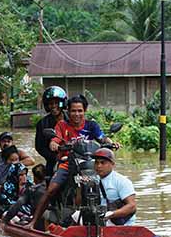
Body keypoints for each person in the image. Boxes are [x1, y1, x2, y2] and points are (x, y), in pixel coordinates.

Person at [27, 94, 117, 228]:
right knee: (51, 189)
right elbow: (55, 139)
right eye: (73, 111)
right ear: (68, 111)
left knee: (111, 186)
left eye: (80, 111)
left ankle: (114, 219)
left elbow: (102, 138)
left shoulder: (91, 125)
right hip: (68, 163)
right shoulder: (62, 125)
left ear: (85, 111)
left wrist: (111, 143)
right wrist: (54, 144)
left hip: (89, 164)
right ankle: (33, 222)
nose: (77, 114)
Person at [90, 148, 137, 225]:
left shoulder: (122, 181)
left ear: (112, 164)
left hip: (121, 223)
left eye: (103, 163)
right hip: (99, 220)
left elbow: (132, 206)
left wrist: (111, 214)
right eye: (96, 162)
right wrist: (80, 186)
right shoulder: (93, 180)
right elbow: (79, 202)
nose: (99, 166)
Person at [1, 163, 47, 229]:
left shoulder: (32, 189)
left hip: (39, 219)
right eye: (21, 175)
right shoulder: (7, 188)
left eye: (25, 174)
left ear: (35, 178)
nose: (24, 177)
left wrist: (4, 222)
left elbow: (18, 204)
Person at [34, 86, 67, 174]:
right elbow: (40, 147)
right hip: (54, 159)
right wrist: (55, 157)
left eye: (57, 103)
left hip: (73, 156)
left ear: (63, 103)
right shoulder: (42, 123)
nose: (54, 106)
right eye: (51, 103)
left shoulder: (71, 118)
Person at [0, 146, 21, 217]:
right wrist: (4, 188)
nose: (14, 163)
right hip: (0, 198)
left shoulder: (21, 169)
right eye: (11, 160)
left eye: (16, 159)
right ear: (5, 160)